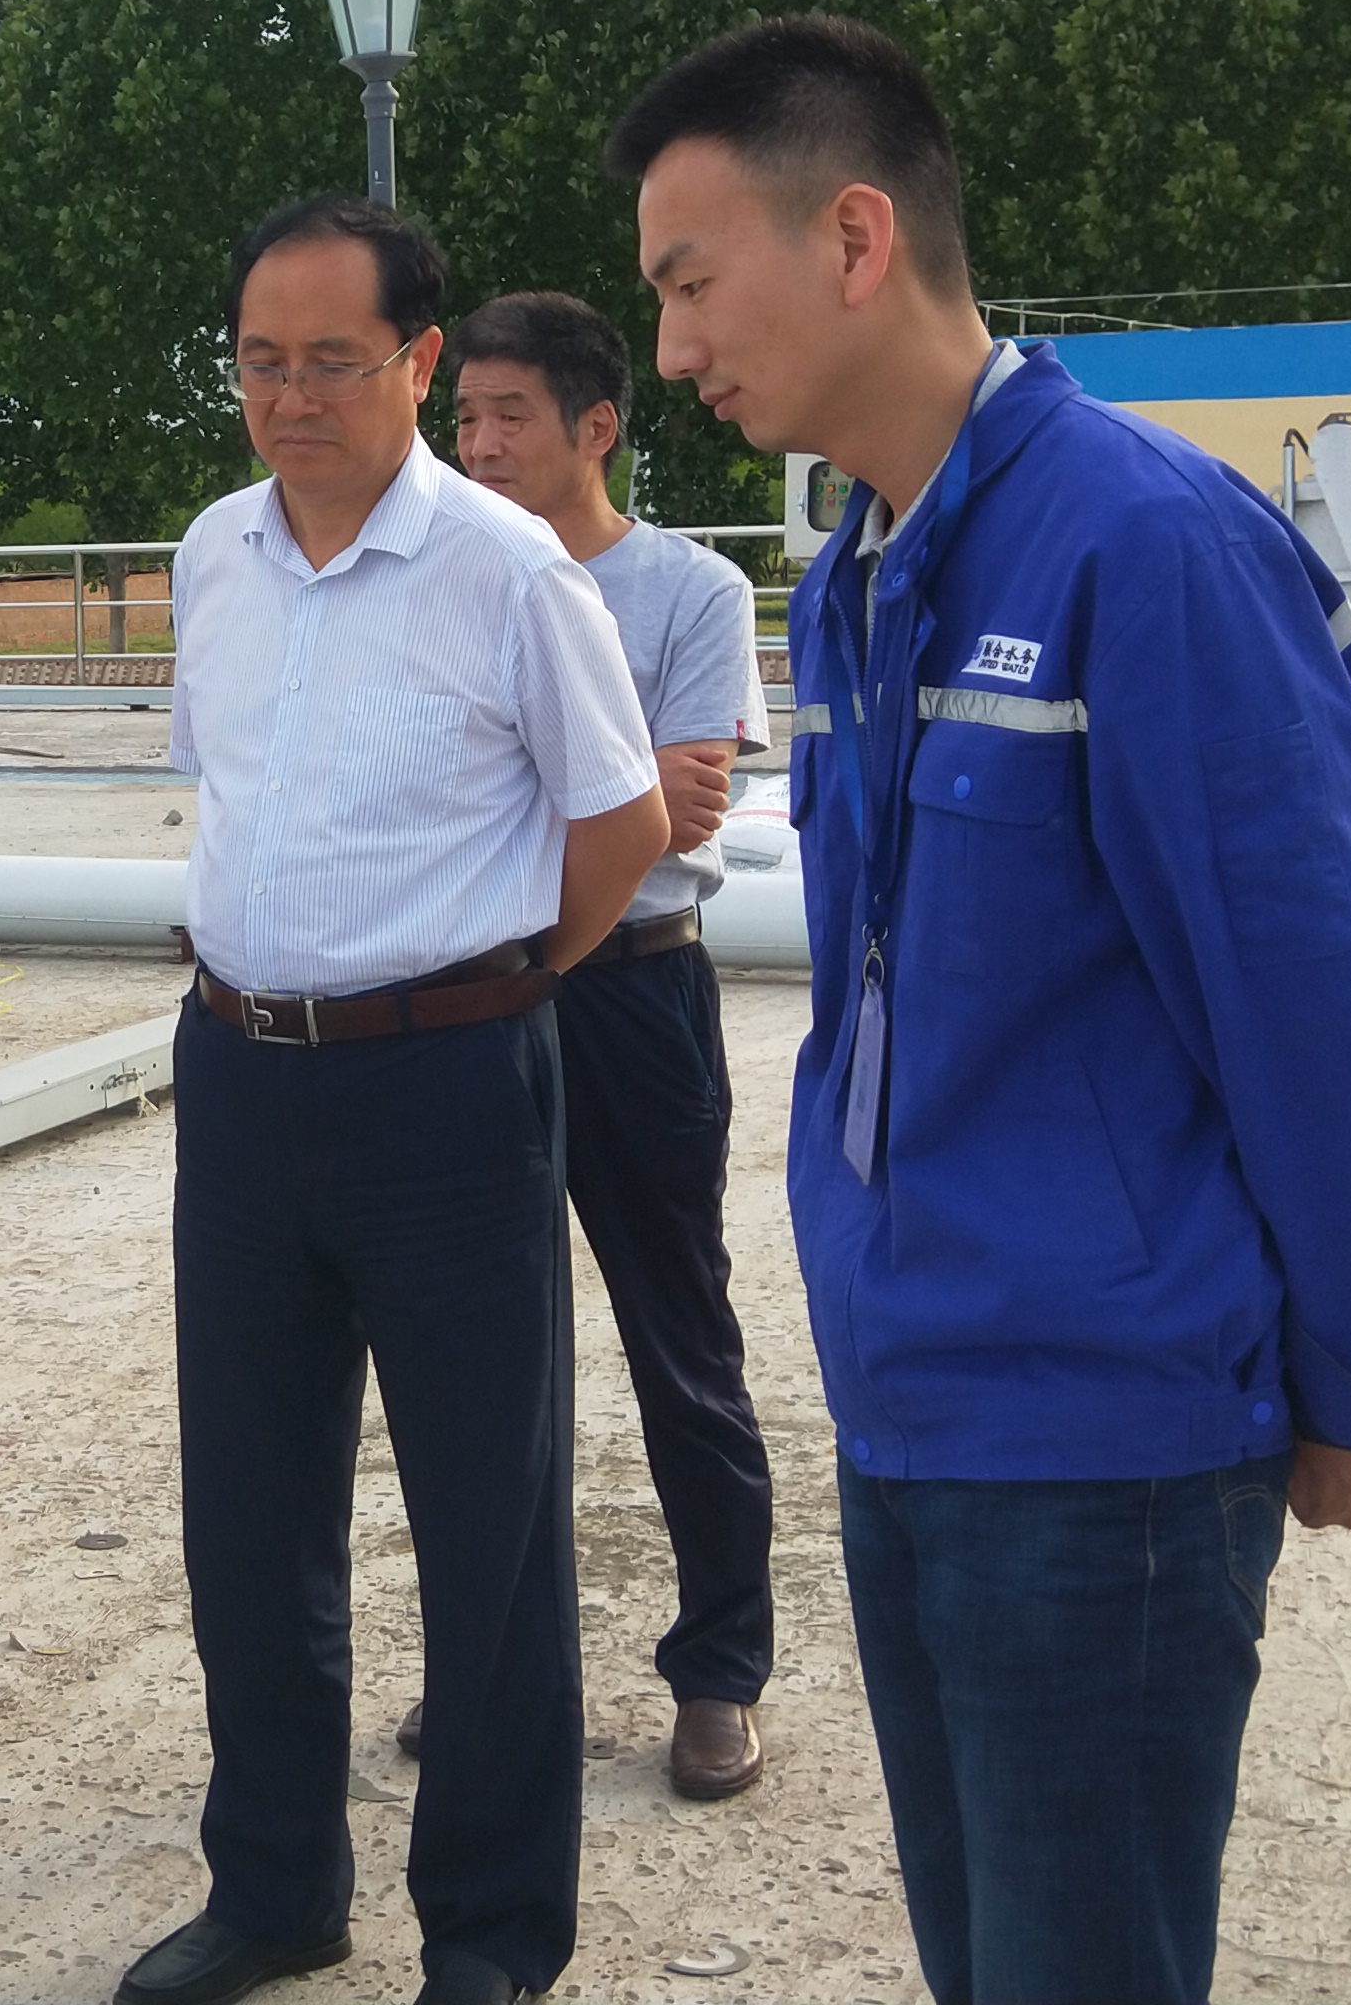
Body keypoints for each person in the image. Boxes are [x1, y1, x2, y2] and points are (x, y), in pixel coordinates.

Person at [617, 14, 1351, 2005]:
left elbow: (1317, 1000)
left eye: (690, 284)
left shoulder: (1149, 545)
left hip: (1105, 1444)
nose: (672, 350)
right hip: (912, 1395)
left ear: (855, 239)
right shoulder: (856, 571)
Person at [116, 195, 667, 2005]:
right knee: (248, 1512)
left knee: (484, 1523)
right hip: (239, 1077)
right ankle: (276, 1886)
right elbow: (238, 793)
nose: (289, 398)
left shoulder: (510, 573)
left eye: (331, 362)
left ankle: (491, 1933)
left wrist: (492, 983)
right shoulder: (213, 553)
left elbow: (619, 827)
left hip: (448, 1085)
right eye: (259, 361)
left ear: (419, 361)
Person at [443, 287, 777, 1802]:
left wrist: (568, 788)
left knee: (677, 1336)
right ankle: (499, 1680)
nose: (478, 443)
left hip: (633, 997)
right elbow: (635, 795)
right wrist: (619, 780)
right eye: (463, 416)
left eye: (509, 415)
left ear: (597, 427)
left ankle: (720, 1670)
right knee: (477, 1360)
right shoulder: (440, 579)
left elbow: (683, 808)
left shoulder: (688, 590)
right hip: (479, 995)